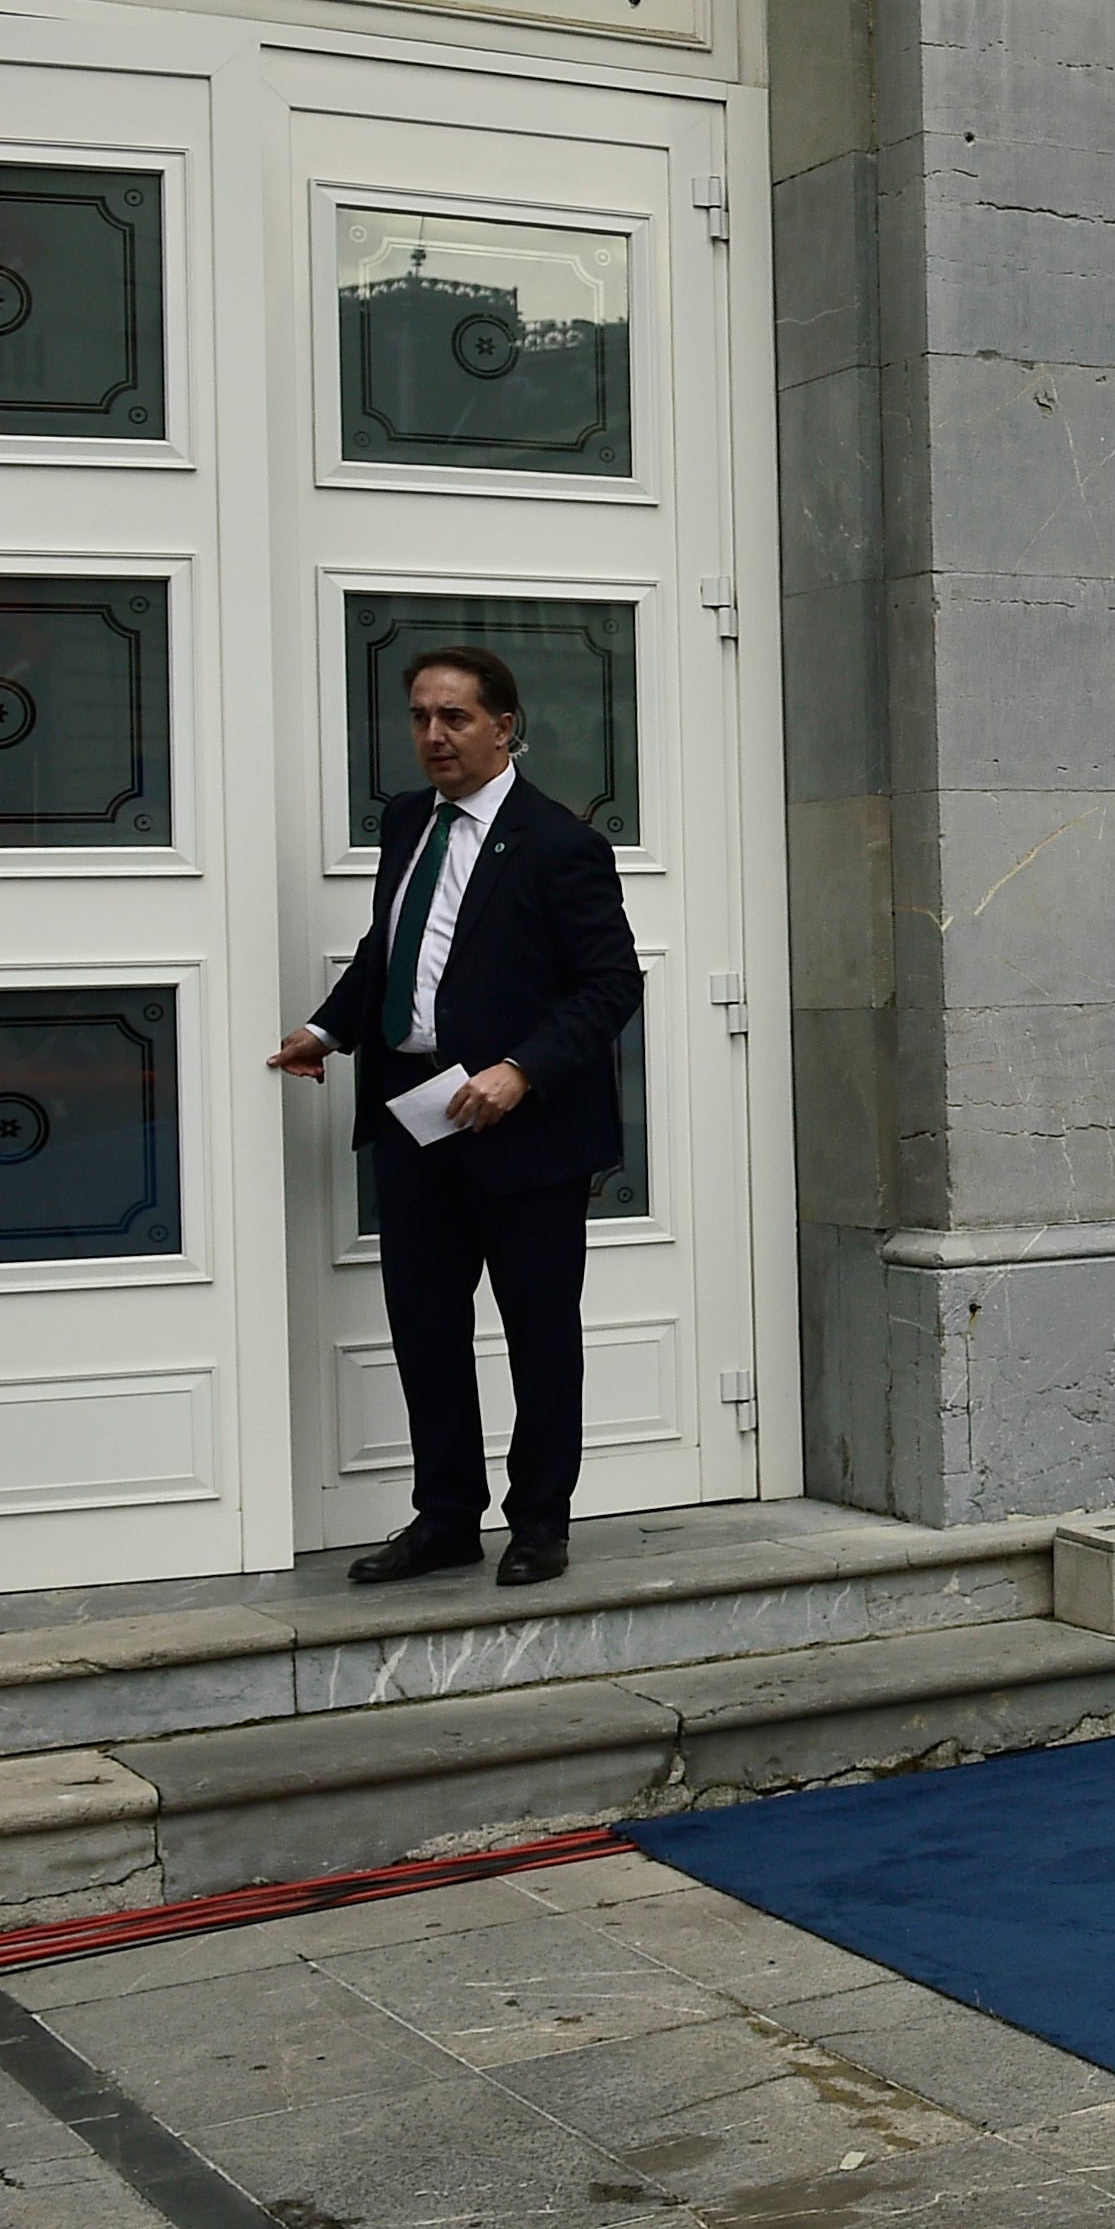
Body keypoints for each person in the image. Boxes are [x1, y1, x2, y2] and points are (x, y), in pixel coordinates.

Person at [269, 648, 638, 1587]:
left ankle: (541, 1522)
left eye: (456, 719)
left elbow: (609, 985)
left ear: (504, 727)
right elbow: (391, 951)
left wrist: (521, 1070)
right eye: (421, 718)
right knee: (425, 1329)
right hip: (416, 1121)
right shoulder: (406, 823)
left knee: (537, 1333)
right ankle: (444, 1519)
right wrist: (326, 1028)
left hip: (526, 1135)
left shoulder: (560, 842)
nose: (434, 736)